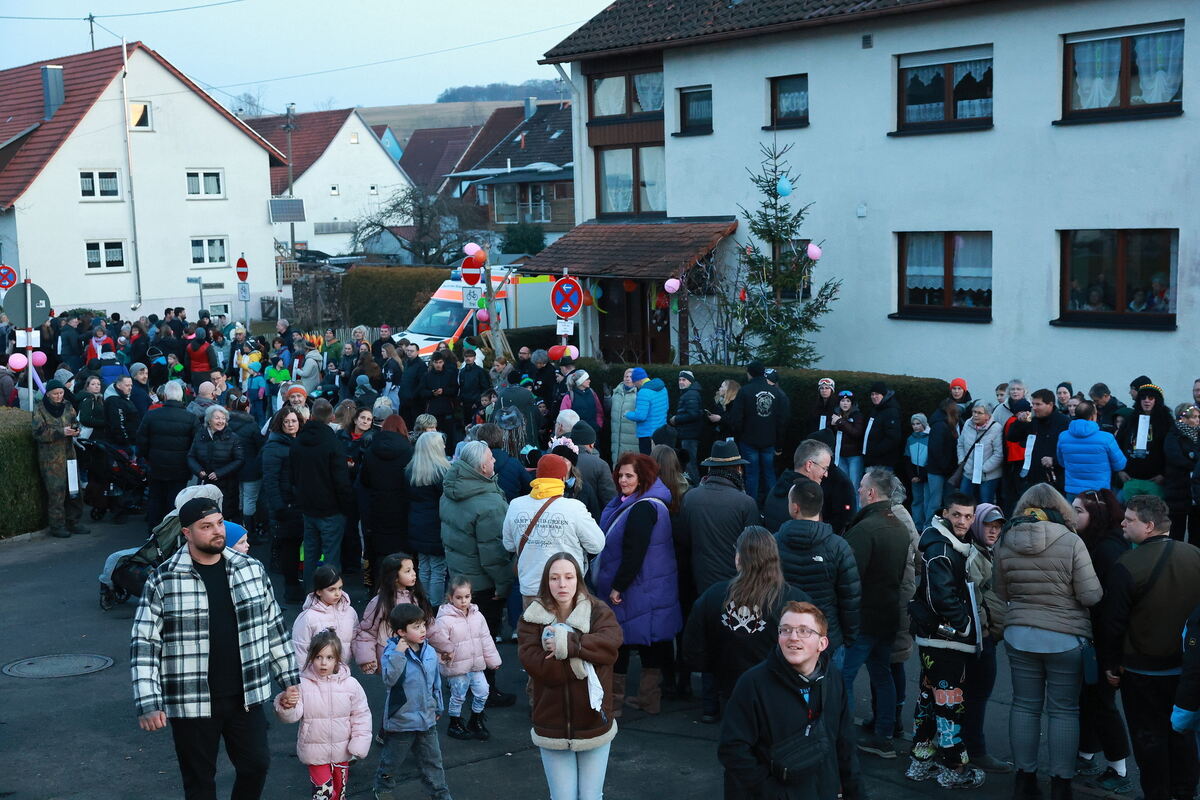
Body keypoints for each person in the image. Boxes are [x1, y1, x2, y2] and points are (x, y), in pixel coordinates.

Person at [131, 497, 300, 800]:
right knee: (199, 783)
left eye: (219, 523)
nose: (217, 531)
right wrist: (149, 702)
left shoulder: (250, 569)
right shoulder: (164, 579)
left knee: (256, 766)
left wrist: (289, 681)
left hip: (245, 696)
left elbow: (273, 626)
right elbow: (144, 642)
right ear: (187, 533)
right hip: (191, 701)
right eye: (206, 526)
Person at [994, 484, 1102, 799]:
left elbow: (1001, 592)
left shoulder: (1004, 540)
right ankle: (1061, 784)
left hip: (1019, 634)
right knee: (1064, 711)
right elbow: (1090, 595)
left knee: (1024, 706)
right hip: (1064, 638)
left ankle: (1024, 779)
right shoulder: (1071, 541)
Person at [1103, 495, 1200, 800]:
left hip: (1142, 671)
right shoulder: (1196, 555)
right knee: (1182, 735)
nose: (1122, 522)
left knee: (1148, 740)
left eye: (1129, 519)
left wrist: (1111, 664)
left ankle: (1157, 794)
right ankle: (1184, 792)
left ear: (1148, 526)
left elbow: (1113, 624)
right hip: (1186, 670)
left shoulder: (1127, 565)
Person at [717, 601, 865, 800]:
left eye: (804, 631)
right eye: (785, 630)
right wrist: (774, 793)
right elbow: (733, 749)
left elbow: (844, 743)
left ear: (822, 643)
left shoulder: (834, 680)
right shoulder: (752, 684)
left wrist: (855, 793)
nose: (793, 637)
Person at [684, 527, 812, 744]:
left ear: (739, 559)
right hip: (779, 693)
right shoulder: (794, 600)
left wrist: (714, 670)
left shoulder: (714, 595)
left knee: (739, 748)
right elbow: (811, 653)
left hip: (732, 690)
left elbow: (693, 648)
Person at [517, 552, 622, 798]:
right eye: (554, 578)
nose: (562, 584)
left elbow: (610, 647)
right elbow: (539, 667)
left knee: (590, 797)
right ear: (546, 581)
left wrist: (568, 645)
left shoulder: (598, 611)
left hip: (593, 721)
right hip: (551, 724)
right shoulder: (531, 618)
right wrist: (582, 659)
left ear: (578, 579)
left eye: (568, 577)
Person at [906, 491, 986, 789]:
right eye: (957, 515)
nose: (963, 521)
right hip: (946, 642)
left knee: (928, 700)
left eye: (968, 516)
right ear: (945, 513)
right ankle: (954, 768)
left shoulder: (944, 543)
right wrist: (965, 625)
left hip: (933, 639)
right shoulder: (941, 547)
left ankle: (920, 762)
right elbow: (942, 596)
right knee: (949, 704)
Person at [596, 453, 683, 716]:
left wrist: (618, 586)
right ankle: (649, 699)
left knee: (619, 642)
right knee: (650, 641)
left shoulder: (641, 507)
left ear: (642, 477)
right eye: (620, 475)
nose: (623, 480)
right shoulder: (652, 503)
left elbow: (634, 552)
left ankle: (615, 703)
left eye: (629, 475)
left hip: (635, 587)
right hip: (651, 586)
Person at [843, 467, 912, 759]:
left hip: (863, 618)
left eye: (861, 486)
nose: (858, 490)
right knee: (882, 674)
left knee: (842, 675)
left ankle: (841, 735)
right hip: (888, 615)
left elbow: (848, 577)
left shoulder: (865, 529)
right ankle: (884, 734)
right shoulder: (898, 525)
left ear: (871, 492)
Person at [440, 440, 516, 706]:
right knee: (482, 640)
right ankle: (485, 692)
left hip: (458, 575)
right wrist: (504, 585)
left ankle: (461, 686)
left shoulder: (451, 490)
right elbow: (494, 554)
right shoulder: (488, 502)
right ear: (481, 466)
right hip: (482, 584)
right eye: (491, 458)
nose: (494, 461)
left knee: (461, 639)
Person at [1070, 488, 1132, 792]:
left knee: (1101, 703)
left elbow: (1111, 611)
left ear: (1096, 516)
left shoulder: (1106, 551)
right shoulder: (1096, 543)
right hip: (1096, 639)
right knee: (1088, 700)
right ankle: (1085, 754)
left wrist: (1111, 660)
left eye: (1079, 511)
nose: (1072, 515)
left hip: (1105, 643)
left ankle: (1119, 769)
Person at [273, 630, 372, 800]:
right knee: (323, 794)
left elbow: (361, 714)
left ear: (337, 659)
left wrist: (359, 742)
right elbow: (293, 715)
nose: (323, 663)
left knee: (339, 793)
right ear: (311, 657)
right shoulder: (302, 684)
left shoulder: (351, 685)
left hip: (343, 751)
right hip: (315, 752)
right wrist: (286, 703)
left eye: (329, 657)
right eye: (318, 657)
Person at [775, 481, 861, 663]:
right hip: (827, 637)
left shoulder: (774, 543)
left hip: (786, 636)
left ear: (795, 507)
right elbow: (850, 597)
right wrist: (849, 637)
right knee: (832, 690)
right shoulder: (838, 547)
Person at [372, 603, 452, 800]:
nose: (423, 630)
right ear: (401, 632)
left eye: (423, 625)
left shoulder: (430, 652)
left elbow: (435, 683)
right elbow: (389, 680)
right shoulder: (392, 654)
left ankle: (440, 793)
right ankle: (382, 787)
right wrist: (399, 654)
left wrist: (438, 705)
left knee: (433, 761)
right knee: (392, 760)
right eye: (415, 627)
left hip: (427, 717)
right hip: (402, 719)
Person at [504, 453, 605, 603]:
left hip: (531, 590)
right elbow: (597, 545)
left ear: (537, 477)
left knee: (533, 627)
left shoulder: (516, 505)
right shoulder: (574, 508)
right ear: (563, 478)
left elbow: (508, 545)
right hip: (566, 592)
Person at [961, 503, 1009, 775]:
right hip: (979, 639)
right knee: (977, 695)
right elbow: (972, 597)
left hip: (985, 636)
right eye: (989, 524)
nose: (994, 530)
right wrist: (986, 628)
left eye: (998, 525)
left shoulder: (986, 551)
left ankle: (967, 748)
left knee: (975, 695)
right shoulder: (973, 554)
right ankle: (975, 750)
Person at [427, 577, 503, 741]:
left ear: (471, 596)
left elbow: (486, 639)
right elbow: (438, 642)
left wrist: (493, 661)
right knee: (458, 695)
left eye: (467, 597)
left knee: (483, 691)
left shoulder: (477, 615)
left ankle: (475, 720)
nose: (463, 601)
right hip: (456, 667)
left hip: (476, 665)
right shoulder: (444, 619)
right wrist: (445, 657)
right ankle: (455, 723)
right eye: (459, 597)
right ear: (450, 598)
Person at [682, 440, 763, 594]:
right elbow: (753, 551)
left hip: (697, 584)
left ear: (710, 468)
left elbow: (684, 541)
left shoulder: (690, 497)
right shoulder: (746, 503)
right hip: (734, 587)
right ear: (738, 469)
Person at [291, 399, 355, 589]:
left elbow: (292, 475)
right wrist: (347, 506)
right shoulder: (333, 444)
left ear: (311, 416)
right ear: (332, 417)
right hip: (331, 509)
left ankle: (311, 595)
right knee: (331, 556)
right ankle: (331, 595)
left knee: (310, 554)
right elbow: (341, 482)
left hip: (308, 508)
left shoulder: (298, 442)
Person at [354, 552, 435, 674]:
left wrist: (444, 647)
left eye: (413, 569)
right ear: (395, 577)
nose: (414, 574)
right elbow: (366, 632)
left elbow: (430, 626)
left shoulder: (417, 598)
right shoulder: (380, 602)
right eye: (408, 571)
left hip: (417, 655)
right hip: (390, 658)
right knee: (396, 690)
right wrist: (367, 659)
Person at [136, 380, 198, 532]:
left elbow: (141, 440)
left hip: (156, 465)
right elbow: (195, 445)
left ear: (164, 395)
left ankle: (154, 531)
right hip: (180, 467)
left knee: (155, 498)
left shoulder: (151, 415)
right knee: (175, 500)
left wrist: (145, 458)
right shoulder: (190, 418)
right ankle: (172, 532)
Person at [358, 415, 414, 581]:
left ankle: (379, 589)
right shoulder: (409, 452)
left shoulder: (370, 451)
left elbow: (364, 480)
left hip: (377, 507)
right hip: (401, 508)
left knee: (379, 552)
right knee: (401, 553)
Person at [33, 380, 88, 538]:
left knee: (74, 489)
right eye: (56, 393)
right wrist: (61, 431)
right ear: (48, 394)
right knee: (56, 492)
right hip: (50, 458)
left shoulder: (68, 405)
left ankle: (74, 522)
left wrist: (76, 430)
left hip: (69, 454)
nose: (59, 396)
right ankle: (57, 525)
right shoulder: (40, 409)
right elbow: (38, 433)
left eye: (61, 393)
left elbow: (75, 422)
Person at [764, 439, 852, 534]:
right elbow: (816, 536)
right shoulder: (808, 497)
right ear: (809, 465)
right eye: (824, 468)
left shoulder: (776, 488)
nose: (826, 474)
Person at [261, 407, 304, 602]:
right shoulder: (273, 447)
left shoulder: (299, 443)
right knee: (290, 547)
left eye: (293, 421)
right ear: (280, 424)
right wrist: (279, 507)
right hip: (285, 505)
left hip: (300, 503)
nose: (290, 424)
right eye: (286, 421)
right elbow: (270, 480)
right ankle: (291, 588)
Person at [728, 362, 786, 502]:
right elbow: (782, 420)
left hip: (748, 440)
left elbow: (736, 418)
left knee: (751, 475)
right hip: (769, 440)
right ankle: (773, 504)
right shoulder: (776, 393)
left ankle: (751, 507)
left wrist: (740, 435)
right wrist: (779, 443)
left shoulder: (745, 391)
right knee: (769, 474)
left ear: (749, 373)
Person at [291, 565, 359, 666]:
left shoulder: (350, 612)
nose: (337, 593)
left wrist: (365, 660)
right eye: (331, 590)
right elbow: (300, 652)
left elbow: (356, 640)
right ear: (318, 591)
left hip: (342, 674)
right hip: (316, 676)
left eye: (340, 588)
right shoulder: (307, 617)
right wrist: (305, 679)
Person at [187, 405, 244, 524]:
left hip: (227, 486)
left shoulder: (233, 438)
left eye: (223, 418)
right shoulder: (200, 435)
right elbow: (191, 456)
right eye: (217, 418)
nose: (221, 421)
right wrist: (198, 471)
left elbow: (239, 460)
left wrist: (220, 473)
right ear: (209, 420)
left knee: (225, 517)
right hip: (205, 483)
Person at [1057, 400, 1127, 498]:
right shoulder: (1106, 438)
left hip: (1073, 491)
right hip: (1099, 491)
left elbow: (1062, 462)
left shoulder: (1063, 436)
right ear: (1093, 416)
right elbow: (1120, 465)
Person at [1006, 388, 1070, 494]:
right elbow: (1012, 437)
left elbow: (1070, 451)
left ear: (1050, 404)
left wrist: (1054, 460)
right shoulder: (1032, 420)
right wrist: (1019, 422)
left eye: (1038, 404)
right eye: (1033, 404)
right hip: (1032, 477)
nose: (1034, 408)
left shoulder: (1064, 422)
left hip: (1055, 479)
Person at [1118, 384, 1172, 500]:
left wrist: (1164, 474)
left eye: (1151, 398)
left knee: (1154, 516)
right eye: (1143, 398)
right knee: (1131, 515)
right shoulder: (1130, 420)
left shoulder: (1166, 422)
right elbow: (1118, 445)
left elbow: (1171, 452)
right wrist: (1120, 471)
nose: (1147, 401)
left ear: (1157, 400)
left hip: (1155, 481)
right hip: (1131, 479)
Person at [225, 393, 265, 540]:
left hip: (233, 468)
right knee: (249, 499)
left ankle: (239, 529)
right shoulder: (253, 426)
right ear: (247, 408)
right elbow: (260, 446)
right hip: (250, 469)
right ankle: (250, 532)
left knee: (241, 498)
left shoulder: (227, 425)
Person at [1166, 403, 1200, 542]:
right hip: (1178, 489)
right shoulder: (1173, 436)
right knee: (1176, 532)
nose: (1198, 420)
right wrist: (1195, 463)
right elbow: (1175, 457)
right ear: (1183, 418)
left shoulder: (1198, 436)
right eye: (1195, 417)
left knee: (1196, 533)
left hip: (1196, 493)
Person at [958, 400, 1002, 504]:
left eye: (979, 413)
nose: (975, 415)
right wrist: (961, 460)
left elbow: (999, 454)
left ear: (987, 415)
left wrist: (982, 469)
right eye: (974, 412)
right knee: (963, 502)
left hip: (987, 476)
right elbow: (960, 444)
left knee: (985, 504)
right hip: (968, 472)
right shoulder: (968, 423)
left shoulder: (996, 428)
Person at [569, 421, 617, 508]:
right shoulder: (601, 465)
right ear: (591, 444)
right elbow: (609, 498)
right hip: (591, 516)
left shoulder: (560, 460)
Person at [624, 367, 668, 455]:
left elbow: (641, 416)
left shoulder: (644, 392)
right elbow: (666, 408)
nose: (634, 385)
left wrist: (627, 414)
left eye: (634, 382)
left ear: (639, 380)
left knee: (647, 465)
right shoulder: (663, 388)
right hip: (662, 432)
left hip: (647, 435)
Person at [669, 370, 704, 483]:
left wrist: (676, 419)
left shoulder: (691, 394)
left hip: (689, 435)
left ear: (690, 381)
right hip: (688, 434)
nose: (681, 382)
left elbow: (693, 415)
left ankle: (696, 489)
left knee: (690, 464)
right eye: (679, 380)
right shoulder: (689, 393)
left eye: (684, 380)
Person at [863, 381, 903, 472]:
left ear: (884, 395)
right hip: (872, 461)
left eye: (877, 394)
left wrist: (875, 452)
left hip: (883, 463)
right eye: (872, 394)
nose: (874, 397)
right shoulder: (875, 409)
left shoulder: (891, 411)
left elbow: (893, 438)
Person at [609, 367, 640, 459]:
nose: (628, 378)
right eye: (626, 376)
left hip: (632, 437)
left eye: (631, 376)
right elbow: (609, 409)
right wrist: (607, 397)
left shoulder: (639, 394)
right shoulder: (616, 393)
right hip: (616, 437)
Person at [905, 414, 931, 526]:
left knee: (927, 500)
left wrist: (922, 476)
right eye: (913, 424)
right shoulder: (910, 439)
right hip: (914, 475)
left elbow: (931, 458)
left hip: (926, 475)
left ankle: (927, 524)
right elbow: (907, 458)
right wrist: (912, 476)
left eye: (918, 423)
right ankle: (917, 525)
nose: (915, 426)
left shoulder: (930, 438)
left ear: (924, 424)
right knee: (917, 500)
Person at [458, 348, 490, 426]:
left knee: (476, 424)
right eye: (466, 356)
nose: (468, 358)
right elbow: (461, 387)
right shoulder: (462, 371)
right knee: (466, 425)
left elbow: (485, 388)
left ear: (475, 358)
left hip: (476, 403)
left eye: (470, 356)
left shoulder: (480, 371)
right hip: (465, 403)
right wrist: (461, 400)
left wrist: (478, 401)